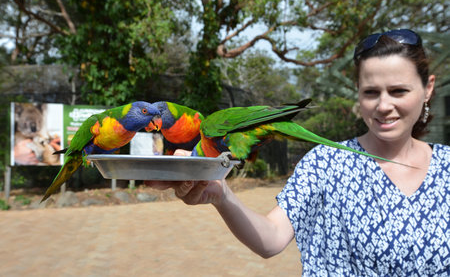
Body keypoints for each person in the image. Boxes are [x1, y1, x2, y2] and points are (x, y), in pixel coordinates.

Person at [147, 29, 449, 275]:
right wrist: (221, 194)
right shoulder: (324, 162)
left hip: (260, 124)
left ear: (428, 89)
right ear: (357, 91)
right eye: (371, 92)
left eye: (399, 91)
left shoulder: (446, 166)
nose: (384, 105)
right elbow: (272, 239)